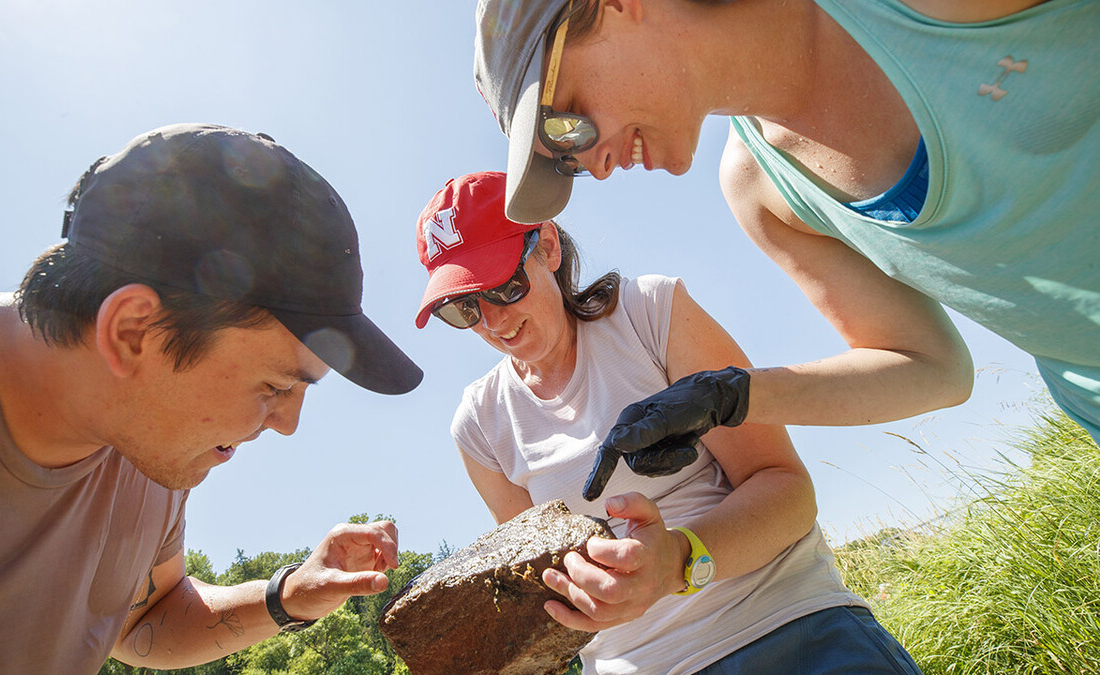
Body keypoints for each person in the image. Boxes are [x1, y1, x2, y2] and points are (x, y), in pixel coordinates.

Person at [471, 0, 1100, 498]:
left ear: (615, 4)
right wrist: (727, 397)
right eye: (568, 162)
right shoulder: (761, 188)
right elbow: (933, 368)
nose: (596, 164)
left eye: (569, 122)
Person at [0, 123, 423, 673]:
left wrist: (288, 595)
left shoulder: (149, 441)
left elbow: (145, 617)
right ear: (131, 331)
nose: (287, 424)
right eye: (275, 386)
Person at [413, 170, 921, 673]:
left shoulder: (648, 314)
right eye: (463, 309)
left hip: (788, 628)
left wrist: (677, 560)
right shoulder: (480, 425)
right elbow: (537, 587)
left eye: (504, 286)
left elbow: (786, 489)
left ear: (547, 246)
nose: (493, 322)